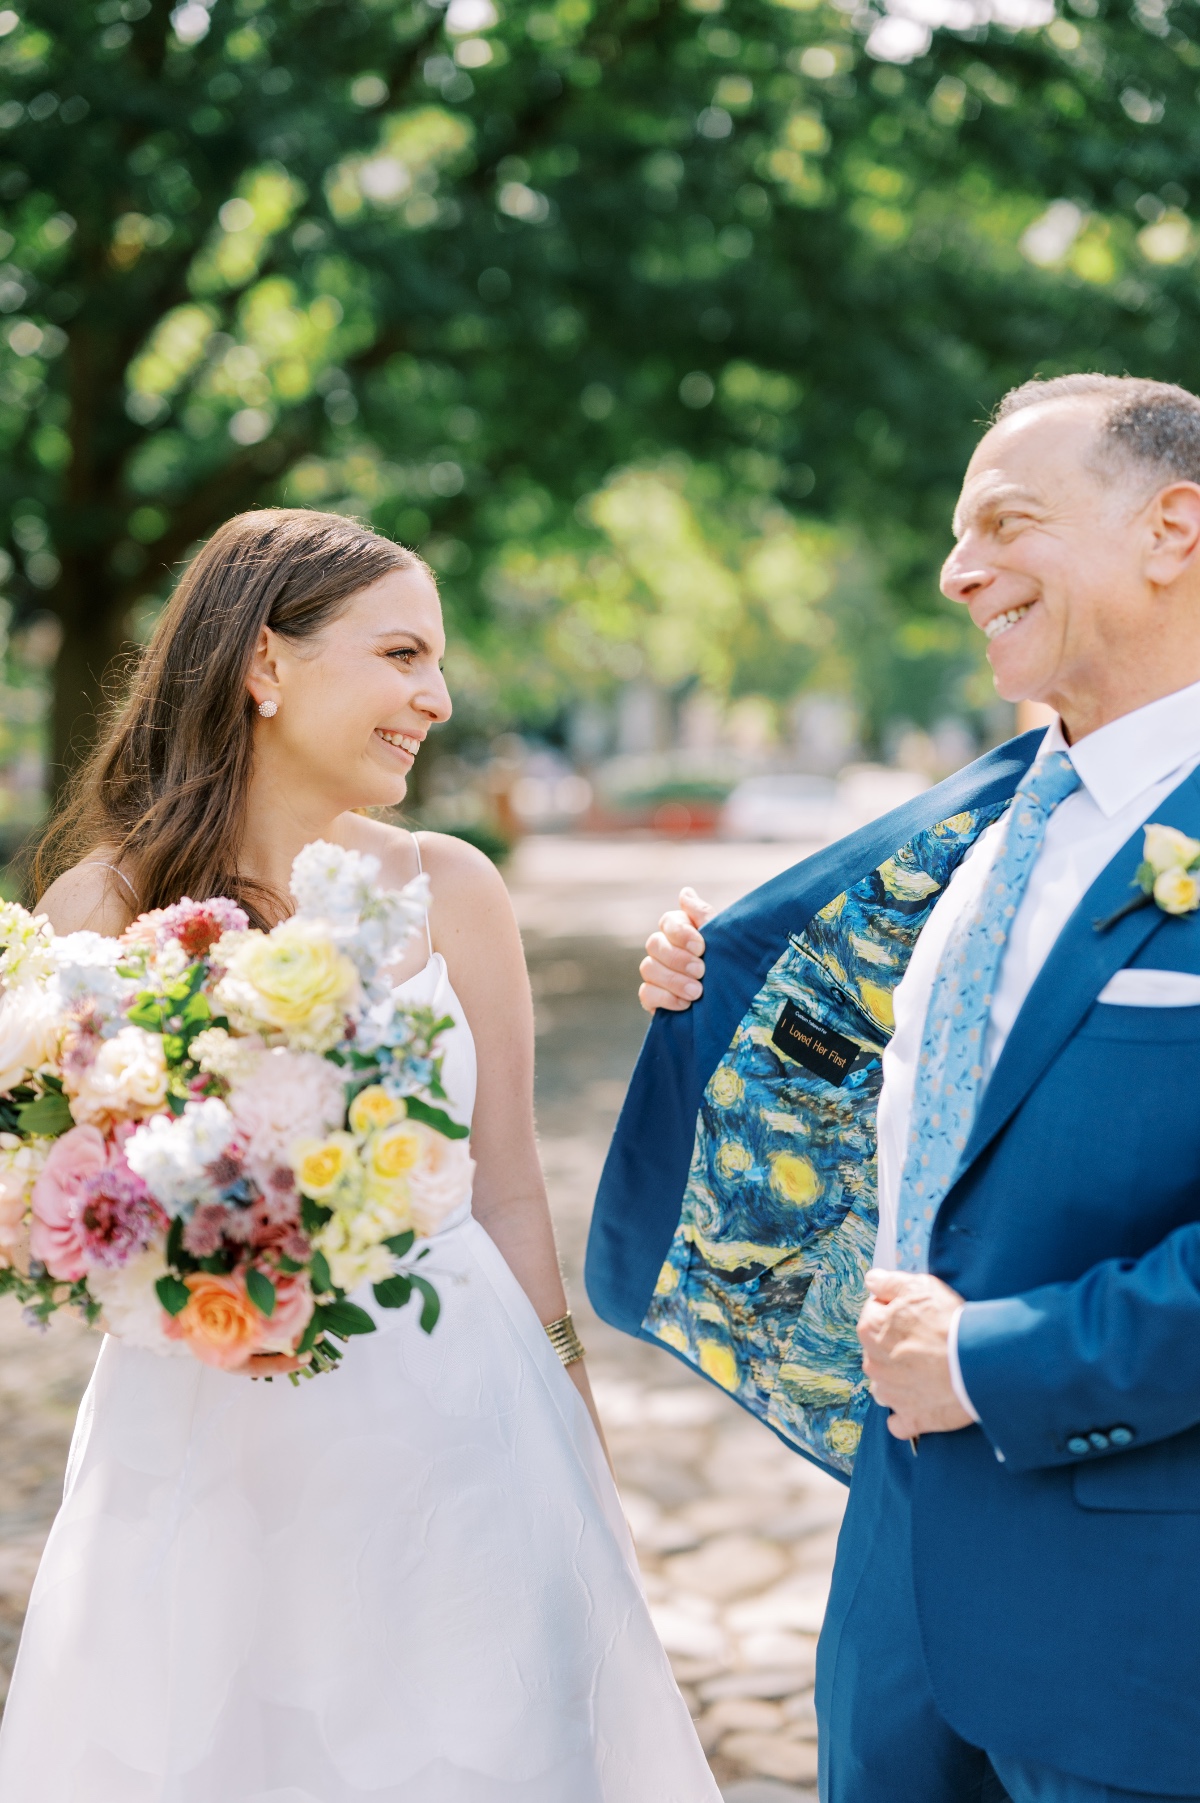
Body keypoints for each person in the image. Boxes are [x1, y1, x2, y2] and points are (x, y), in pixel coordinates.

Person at [0, 509, 720, 1803]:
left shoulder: (456, 889)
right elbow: (54, 1197)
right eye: (401, 655)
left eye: (436, 663)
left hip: (455, 1422)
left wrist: (574, 1420)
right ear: (265, 665)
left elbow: (507, 1192)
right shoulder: (98, 912)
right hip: (199, 1432)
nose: (435, 698)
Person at [589, 375, 1200, 1803]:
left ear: (1177, 526)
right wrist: (716, 996)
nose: (955, 569)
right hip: (898, 1586)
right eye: (953, 532)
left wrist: (996, 1360)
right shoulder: (972, 832)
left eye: (1007, 520)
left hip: (1146, 1617)